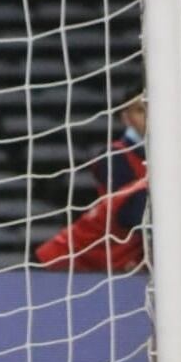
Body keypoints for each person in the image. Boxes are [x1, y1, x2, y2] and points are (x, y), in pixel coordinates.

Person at [36, 93, 148, 271]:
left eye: (152, 109)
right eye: (140, 110)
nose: (149, 117)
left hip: (116, 261)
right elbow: (134, 215)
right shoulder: (116, 156)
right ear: (126, 117)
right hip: (71, 261)